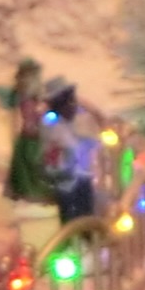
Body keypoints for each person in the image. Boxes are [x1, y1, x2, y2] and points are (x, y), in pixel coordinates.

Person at [0, 58, 56, 206]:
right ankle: (29, 195)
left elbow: (44, 114)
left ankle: (39, 195)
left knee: (37, 164)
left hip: (37, 134)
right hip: (30, 135)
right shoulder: (23, 95)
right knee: (27, 165)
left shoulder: (37, 95)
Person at [41, 78, 97, 226]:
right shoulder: (50, 121)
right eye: (69, 102)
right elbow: (59, 146)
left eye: (73, 101)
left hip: (82, 175)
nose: (73, 106)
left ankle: (86, 234)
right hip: (63, 178)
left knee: (86, 214)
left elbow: (94, 116)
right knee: (69, 216)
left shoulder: (75, 117)